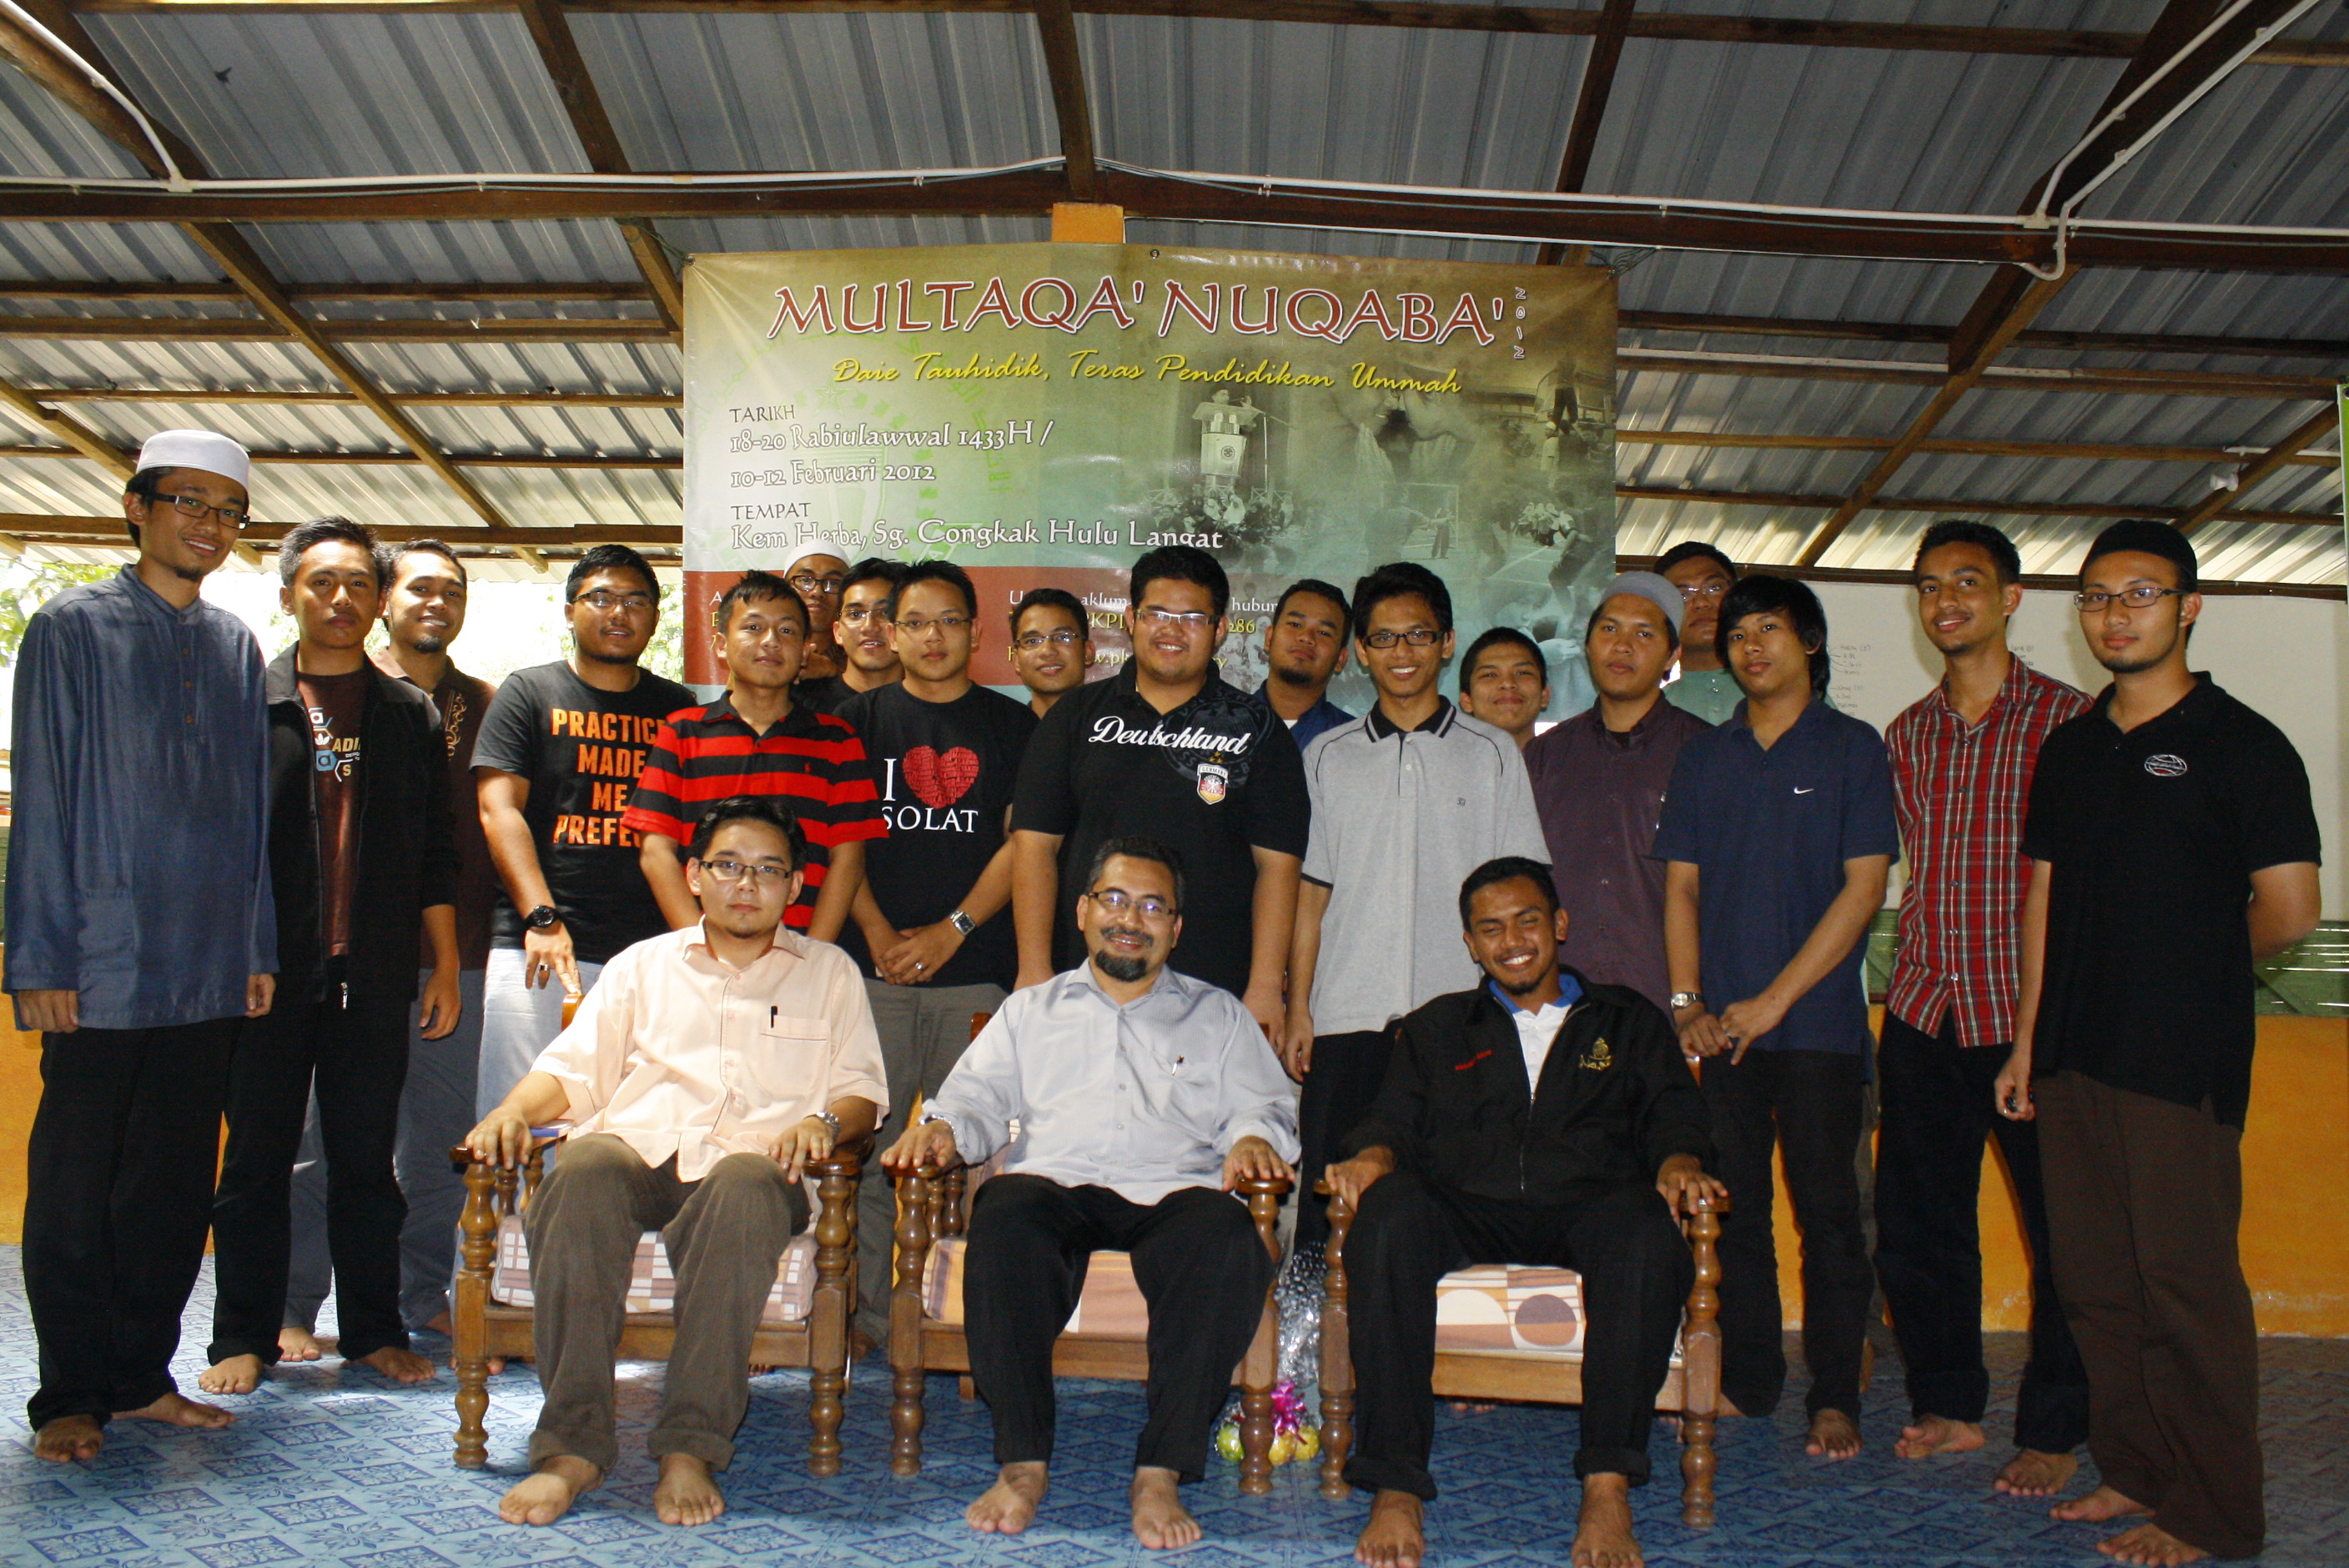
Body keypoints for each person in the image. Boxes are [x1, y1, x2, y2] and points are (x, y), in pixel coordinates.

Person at [2007, 520, 2320, 1567]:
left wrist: (2187, 968)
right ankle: (2135, 1468)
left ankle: (2214, 1511)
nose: (2114, 614)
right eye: (2096, 596)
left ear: (2186, 607)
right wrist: (2025, 1039)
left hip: (2176, 1062)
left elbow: (2289, 908)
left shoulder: (2242, 743)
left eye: (2138, 593)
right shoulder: (2070, 746)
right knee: (2095, 1284)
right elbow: (2042, 898)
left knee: (2183, 1287)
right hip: (2070, 1054)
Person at [466, 797, 886, 1530]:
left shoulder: (829, 973)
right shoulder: (641, 966)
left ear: (796, 885)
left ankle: (690, 1445)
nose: (746, 884)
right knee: (582, 1170)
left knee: (745, 1183)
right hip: (642, 1149)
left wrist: (820, 1122)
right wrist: (511, 1110)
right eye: (728, 866)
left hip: (760, 1165)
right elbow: (570, 1072)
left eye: (768, 870)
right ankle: (572, 1449)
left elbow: (861, 1093)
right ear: (694, 875)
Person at [883, 838, 1298, 1552]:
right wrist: (944, 1130)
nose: (1129, 919)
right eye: (1114, 900)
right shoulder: (1030, 1011)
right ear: (1082, 911)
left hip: (1176, 1189)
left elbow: (1263, 1107)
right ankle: (1022, 1463)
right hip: (1056, 1185)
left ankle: (1161, 1470)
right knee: (1003, 1215)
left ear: (1176, 928)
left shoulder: (1219, 1015)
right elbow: (975, 1101)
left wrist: (1254, 1138)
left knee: (1228, 1239)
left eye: (1152, 907)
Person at [1327, 857, 1721, 1568]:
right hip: (1466, 1204)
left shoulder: (1628, 1020)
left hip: (1591, 1204)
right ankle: (1396, 1484)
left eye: (1527, 921)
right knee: (1386, 1216)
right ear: (1471, 945)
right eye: (1491, 929)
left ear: (1559, 925)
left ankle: (1607, 1486)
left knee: (1644, 1229)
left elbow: (1675, 1116)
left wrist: (1678, 1161)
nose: (1512, 941)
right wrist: (1370, 1157)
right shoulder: (1437, 1027)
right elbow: (1390, 1121)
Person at [8, 430, 276, 1462]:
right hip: (99, 962)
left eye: (227, 508)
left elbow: (253, 815)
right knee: (79, 1188)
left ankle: (139, 1377)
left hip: (207, 963)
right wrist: (40, 959)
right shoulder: (70, 627)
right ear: (138, 507)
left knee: (171, 1187)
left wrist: (254, 944)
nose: (208, 523)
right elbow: (43, 797)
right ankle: (70, 1392)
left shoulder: (235, 645)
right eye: (187, 501)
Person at [201, 517, 458, 1395]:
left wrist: (444, 966)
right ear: (289, 596)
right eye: (321, 582)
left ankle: (374, 1331)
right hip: (265, 973)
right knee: (256, 1162)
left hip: (374, 974)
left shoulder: (408, 712)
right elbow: (220, 843)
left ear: (378, 600)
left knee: (365, 1161)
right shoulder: (248, 698)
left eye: (357, 583)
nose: (340, 598)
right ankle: (242, 1335)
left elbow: (433, 852)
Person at [1653, 573, 1896, 1460]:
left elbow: (1863, 889)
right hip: (1723, 1036)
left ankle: (1834, 1397)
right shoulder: (1704, 757)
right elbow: (1681, 888)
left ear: (1810, 644)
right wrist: (1688, 1003)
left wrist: (1773, 1001)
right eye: (1738, 634)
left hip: (1817, 1033)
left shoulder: (1851, 748)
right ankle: (1749, 1382)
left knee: (1830, 1218)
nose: (1750, 646)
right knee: (1737, 1214)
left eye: (1769, 629)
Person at [1874, 520, 2091, 1495]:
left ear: (2009, 597)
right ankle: (1948, 1404)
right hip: (1925, 1006)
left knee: (2063, 1234)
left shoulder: (2070, 722)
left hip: (2029, 1017)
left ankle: (2052, 1425)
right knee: (1918, 1224)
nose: (1945, 600)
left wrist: (2049, 1026)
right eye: (1928, 585)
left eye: (1965, 581)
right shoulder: (1906, 733)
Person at [1282, 563, 1546, 1249]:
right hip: (1346, 1016)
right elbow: (1310, 896)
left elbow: (1523, 895)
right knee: (1331, 1205)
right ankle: (1314, 1322)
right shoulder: (1326, 756)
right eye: (1384, 638)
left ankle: (1439, 1320)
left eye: (1418, 635)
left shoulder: (1493, 754)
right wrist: (1300, 1007)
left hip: (1462, 1017)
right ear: (1361, 651)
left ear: (1446, 643)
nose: (1402, 652)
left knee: (1453, 1198)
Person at [281, 539, 504, 1354]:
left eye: (453, 590)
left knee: (442, 1143)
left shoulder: (487, 703)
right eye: (419, 588)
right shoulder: (337, 689)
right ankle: (294, 1304)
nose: (436, 603)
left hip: (457, 954)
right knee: (319, 1145)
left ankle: (420, 1295)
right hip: (346, 957)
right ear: (385, 600)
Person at [841, 560, 1038, 1345]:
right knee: (866, 1153)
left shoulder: (1014, 727)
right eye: (916, 622)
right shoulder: (855, 721)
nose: (933, 637)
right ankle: (867, 1317)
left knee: (970, 1155)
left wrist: (952, 929)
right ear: (891, 633)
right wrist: (879, 933)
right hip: (872, 973)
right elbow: (841, 840)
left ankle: (956, 1320)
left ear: (976, 632)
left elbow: (1024, 842)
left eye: (950, 621)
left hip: (975, 975)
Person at [1009, 545, 1308, 1036]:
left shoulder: (1257, 728)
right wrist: (1034, 969)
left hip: (1214, 991)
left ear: (1220, 628)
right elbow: (1035, 847)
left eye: (1192, 618)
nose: (1172, 630)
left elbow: (1278, 866)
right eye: (1157, 614)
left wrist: (1263, 986)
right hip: (1083, 986)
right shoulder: (1075, 717)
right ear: (1131, 620)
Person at [471, 545, 694, 1118]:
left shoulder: (677, 708)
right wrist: (542, 919)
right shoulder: (528, 692)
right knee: (516, 1123)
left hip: (646, 952)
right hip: (538, 948)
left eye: (635, 601)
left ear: (656, 618)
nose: (618, 612)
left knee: (622, 1124)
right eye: (601, 598)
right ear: (570, 611)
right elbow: (499, 810)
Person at [624, 571, 887, 943]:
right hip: (699, 954)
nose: (770, 641)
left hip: (803, 952)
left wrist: (811, 955)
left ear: (805, 651)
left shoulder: (837, 740)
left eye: (787, 631)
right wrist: (700, 947)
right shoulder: (682, 733)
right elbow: (656, 852)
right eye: (753, 627)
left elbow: (848, 859)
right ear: (721, 645)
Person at [1522, 572, 1712, 1013]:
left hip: (1670, 1005)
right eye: (1609, 629)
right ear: (1589, 645)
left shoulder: (1706, 753)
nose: (1622, 646)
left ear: (1673, 656)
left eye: (1644, 634)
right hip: (1562, 1003)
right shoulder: (1545, 756)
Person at [795, 555, 903, 713]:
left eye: (884, 613)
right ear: (838, 632)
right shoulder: (800, 705)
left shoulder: (929, 705)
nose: (869, 627)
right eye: (855, 614)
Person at [1257, 577, 1354, 750]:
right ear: (1269, 638)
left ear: (1341, 659)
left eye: (1324, 632)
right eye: (1295, 624)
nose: (1306, 637)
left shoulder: (1355, 743)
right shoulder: (1216, 727)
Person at [1655, 541, 1739, 724]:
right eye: (1683, 595)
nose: (1701, 602)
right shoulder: (1654, 716)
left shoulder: (1782, 696)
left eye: (1714, 588)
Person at [1455, 626, 1550, 748]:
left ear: (1544, 695)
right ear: (1467, 700)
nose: (1508, 683)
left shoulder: (1567, 758)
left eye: (1523, 673)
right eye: (1490, 675)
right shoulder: (1440, 759)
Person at [782, 539, 854, 694]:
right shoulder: (765, 648)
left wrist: (831, 670)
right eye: (805, 580)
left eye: (833, 583)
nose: (817, 592)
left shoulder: (859, 653)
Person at [1009, 586, 1093, 717]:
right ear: (1017, 661)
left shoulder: (1116, 728)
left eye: (1063, 637)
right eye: (1032, 641)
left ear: (1088, 651)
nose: (1047, 651)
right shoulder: (1003, 729)